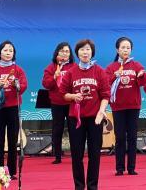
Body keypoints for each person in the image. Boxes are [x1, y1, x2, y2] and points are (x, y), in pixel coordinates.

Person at [59, 39, 110, 190]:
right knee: (77, 155)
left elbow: (106, 95)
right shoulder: (71, 72)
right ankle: (79, 186)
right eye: (82, 49)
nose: (85, 52)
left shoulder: (99, 71)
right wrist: (73, 96)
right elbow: (63, 93)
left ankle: (93, 186)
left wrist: (101, 111)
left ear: (92, 52)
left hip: (95, 119)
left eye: (88, 49)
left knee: (95, 154)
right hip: (76, 119)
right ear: (77, 53)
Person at [0, 40, 28, 179]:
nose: (8, 53)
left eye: (11, 51)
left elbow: (24, 86)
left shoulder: (18, 70)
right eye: (5, 50)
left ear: (14, 54)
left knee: (13, 141)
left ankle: (12, 172)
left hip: (13, 108)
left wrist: (15, 84)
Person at [105, 37, 146, 175]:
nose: (125, 50)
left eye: (128, 48)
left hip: (133, 106)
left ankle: (131, 168)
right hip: (118, 107)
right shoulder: (111, 67)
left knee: (132, 137)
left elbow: (144, 82)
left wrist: (141, 75)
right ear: (117, 50)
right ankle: (119, 168)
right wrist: (114, 76)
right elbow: (105, 84)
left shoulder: (136, 65)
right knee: (120, 138)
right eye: (123, 47)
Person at [41, 42, 75, 164]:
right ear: (57, 53)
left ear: (70, 54)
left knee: (74, 129)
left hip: (71, 103)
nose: (64, 53)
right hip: (57, 103)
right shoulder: (51, 67)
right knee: (57, 129)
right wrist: (54, 77)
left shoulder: (74, 67)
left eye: (67, 51)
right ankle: (57, 156)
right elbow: (46, 84)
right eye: (62, 51)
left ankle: (76, 154)